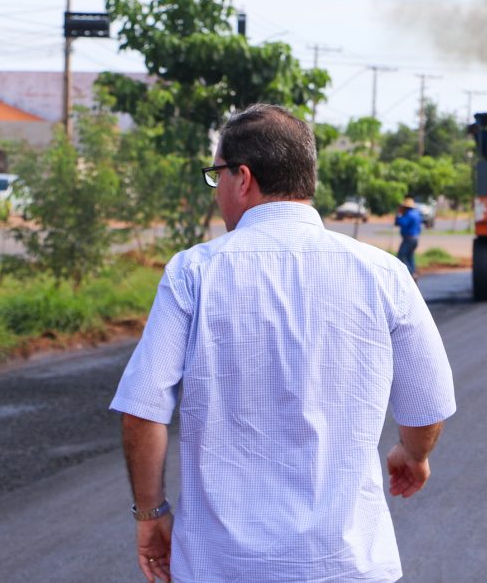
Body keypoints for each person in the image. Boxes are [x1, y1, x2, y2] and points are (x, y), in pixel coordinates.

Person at [110, 104, 456, 583]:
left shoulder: (194, 273)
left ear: (243, 178)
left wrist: (150, 516)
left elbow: (143, 410)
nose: (218, 194)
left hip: (220, 566)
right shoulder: (383, 274)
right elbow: (426, 405)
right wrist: (413, 455)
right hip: (348, 565)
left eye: (217, 177)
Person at [395, 195, 423, 280]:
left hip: (409, 238)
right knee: (410, 256)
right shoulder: (416, 214)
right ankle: (413, 272)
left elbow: (400, 223)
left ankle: (411, 273)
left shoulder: (408, 214)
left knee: (401, 256)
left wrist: (398, 214)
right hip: (415, 238)